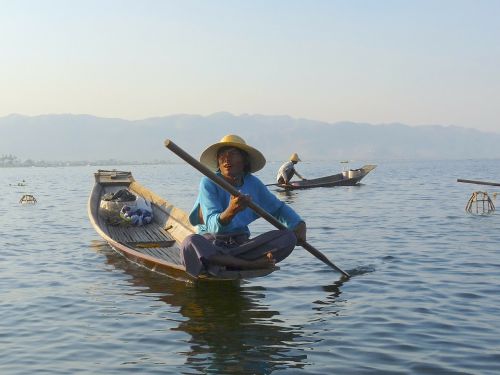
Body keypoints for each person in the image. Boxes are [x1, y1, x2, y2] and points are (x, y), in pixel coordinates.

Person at [180, 134, 307, 277]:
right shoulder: (209, 182)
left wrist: (299, 224)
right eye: (222, 155)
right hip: (212, 242)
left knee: (288, 237)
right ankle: (249, 264)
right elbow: (212, 226)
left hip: (239, 245)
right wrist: (230, 211)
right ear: (218, 162)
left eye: (233, 154)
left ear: (244, 161)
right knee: (190, 242)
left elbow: (278, 208)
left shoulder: (253, 184)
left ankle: (225, 262)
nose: (226, 159)